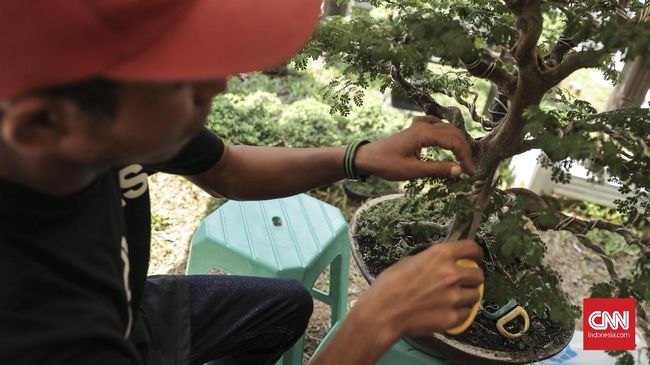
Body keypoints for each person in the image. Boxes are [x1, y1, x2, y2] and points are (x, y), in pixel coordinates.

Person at [0, 1, 484, 365]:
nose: (219, 85)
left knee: (286, 307)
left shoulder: (94, 134)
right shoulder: (42, 327)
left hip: (135, 307)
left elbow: (226, 169)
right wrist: (378, 319)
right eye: (180, 80)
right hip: (114, 334)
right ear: (44, 124)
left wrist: (357, 157)